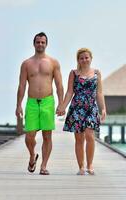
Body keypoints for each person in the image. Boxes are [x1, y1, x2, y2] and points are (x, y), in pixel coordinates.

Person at [16, 32, 64, 175]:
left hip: (47, 101)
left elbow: (59, 85)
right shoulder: (26, 64)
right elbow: (22, 86)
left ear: (46, 44)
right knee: (29, 135)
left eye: (43, 42)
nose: (40, 44)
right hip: (31, 102)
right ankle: (32, 155)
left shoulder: (53, 62)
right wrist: (18, 104)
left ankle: (43, 166)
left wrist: (61, 104)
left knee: (47, 135)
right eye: (38, 42)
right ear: (34, 43)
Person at [60, 48, 106, 175]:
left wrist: (103, 108)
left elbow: (99, 93)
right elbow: (69, 92)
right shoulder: (73, 73)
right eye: (81, 58)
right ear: (78, 60)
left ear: (91, 58)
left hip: (91, 108)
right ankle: (81, 166)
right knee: (79, 139)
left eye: (86, 57)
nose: (84, 60)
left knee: (90, 135)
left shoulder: (97, 73)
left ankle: (90, 165)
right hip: (77, 108)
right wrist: (63, 106)